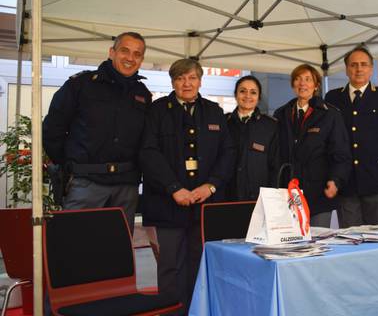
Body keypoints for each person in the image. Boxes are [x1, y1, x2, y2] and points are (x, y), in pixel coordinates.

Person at [140, 58, 235, 312]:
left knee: (199, 263)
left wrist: (211, 186)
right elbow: (149, 153)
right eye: (181, 78)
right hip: (167, 203)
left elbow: (228, 153)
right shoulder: (157, 110)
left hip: (204, 205)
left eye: (192, 78)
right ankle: (172, 312)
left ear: (200, 81)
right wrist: (173, 188)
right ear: (173, 82)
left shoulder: (214, 111)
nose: (187, 83)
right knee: (170, 266)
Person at [43, 31, 151, 233]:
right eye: (124, 51)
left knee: (116, 251)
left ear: (142, 59)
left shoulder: (142, 94)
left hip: (125, 187)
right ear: (112, 52)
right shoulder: (81, 85)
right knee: (76, 249)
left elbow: (145, 140)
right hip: (85, 183)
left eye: (137, 54)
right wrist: (71, 164)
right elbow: (52, 130)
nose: (130, 58)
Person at [325, 47, 378, 227]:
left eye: (363, 65)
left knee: (377, 240)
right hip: (345, 184)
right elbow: (328, 142)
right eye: (353, 65)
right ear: (346, 69)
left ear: (371, 69)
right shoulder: (332, 98)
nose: (358, 69)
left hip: (377, 183)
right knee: (350, 241)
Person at [274, 64, 351, 227]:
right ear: (293, 84)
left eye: (308, 79)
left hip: (319, 193)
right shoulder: (281, 114)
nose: (303, 83)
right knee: (290, 243)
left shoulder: (330, 114)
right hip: (287, 193)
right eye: (298, 79)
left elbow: (341, 152)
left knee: (316, 243)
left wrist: (336, 180)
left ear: (316, 85)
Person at [226, 75, 279, 201]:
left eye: (253, 92)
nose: (247, 96)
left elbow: (275, 166)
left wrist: (272, 197)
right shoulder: (224, 123)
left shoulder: (271, 126)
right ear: (235, 94)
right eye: (242, 91)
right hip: (226, 195)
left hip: (259, 198)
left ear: (259, 97)